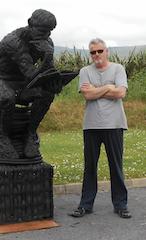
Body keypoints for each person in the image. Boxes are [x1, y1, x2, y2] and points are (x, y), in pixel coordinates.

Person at [69, 38, 131, 218]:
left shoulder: (118, 69)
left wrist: (97, 89)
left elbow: (121, 93)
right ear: (90, 54)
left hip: (114, 124)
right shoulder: (85, 71)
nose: (96, 55)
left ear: (106, 51)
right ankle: (85, 205)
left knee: (116, 166)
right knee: (90, 167)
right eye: (93, 52)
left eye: (99, 51)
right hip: (91, 125)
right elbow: (87, 95)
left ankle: (121, 204)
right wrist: (108, 87)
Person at [0, 9, 63, 159]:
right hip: (5, 81)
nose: (46, 36)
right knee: (7, 97)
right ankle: (3, 137)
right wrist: (48, 55)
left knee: (47, 93)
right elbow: (30, 73)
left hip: (25, 85)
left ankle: (30, 134)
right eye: (42, 31)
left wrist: (55, 83)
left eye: (49, 32)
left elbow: (48, 71)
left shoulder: (46, 43)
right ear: (30, 24)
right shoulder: (13, 42)